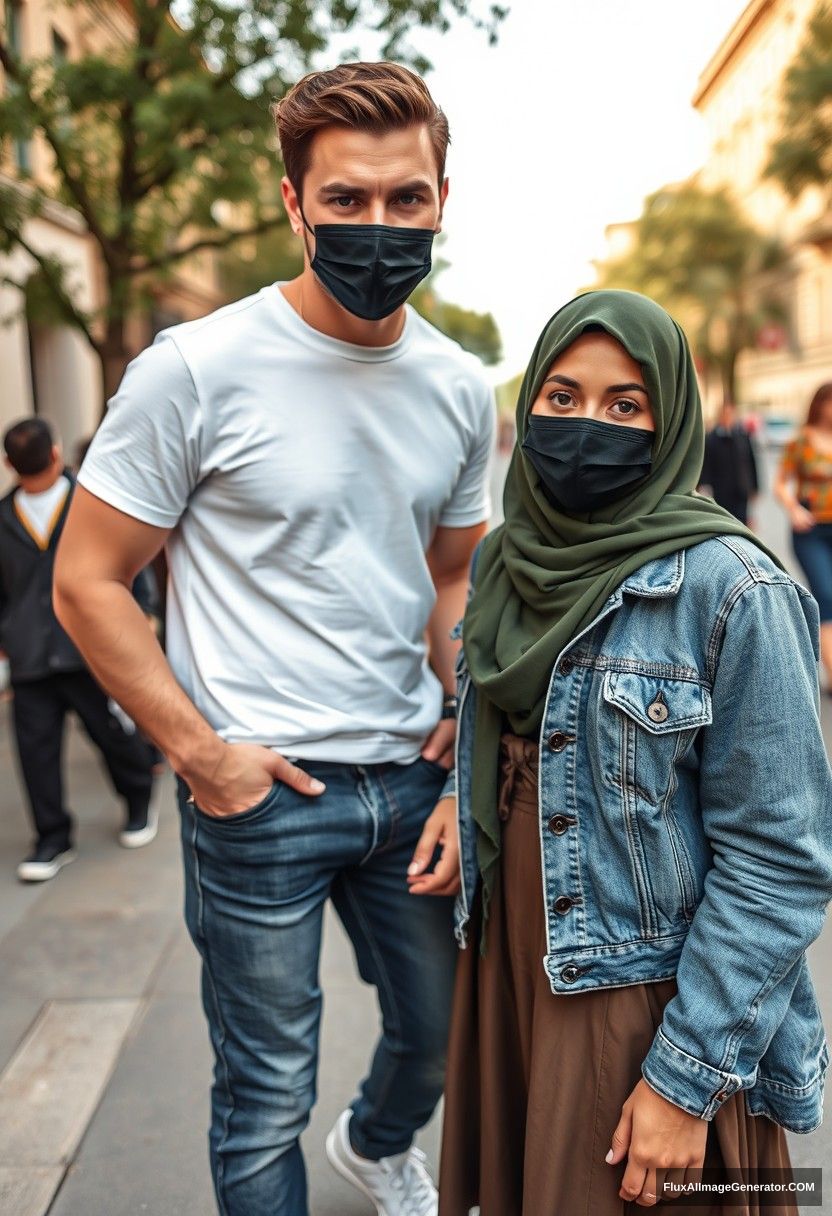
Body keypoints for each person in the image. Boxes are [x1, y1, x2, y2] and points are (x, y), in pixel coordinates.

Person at [54, 61, 494, 1216]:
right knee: (262, 1097)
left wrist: (466, 721)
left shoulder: (457, 386)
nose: (379, 224)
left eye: (407, 199)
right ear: (294, 204)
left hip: (411, 779)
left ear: (444, 198)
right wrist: (201, 756)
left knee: (442, 1036)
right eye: (345, 200)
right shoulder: (194, 371)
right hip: (261, 795)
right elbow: (89, 580)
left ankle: (376, 1139)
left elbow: (452, 577)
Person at [432, 291, 832, 1215]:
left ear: (672, 421)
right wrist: (464, 797)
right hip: (510, 967)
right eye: (562, 397)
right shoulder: (507, 563)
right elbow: (516, 727)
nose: (586, 425)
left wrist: (682, 1082)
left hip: (643, 1006)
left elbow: (781, 863)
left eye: (624, 406)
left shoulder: (734, 590)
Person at [1, 418, 158, 882]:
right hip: (30, 654)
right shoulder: (2, 518)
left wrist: (143, 610)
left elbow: (127, 557)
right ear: (55, 451)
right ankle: (52, 838)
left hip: (88, 645)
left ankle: (137, 800)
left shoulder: (89, 501)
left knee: (110, 732)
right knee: (35, 752)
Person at [775, 383, 832, 691]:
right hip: (811, 531)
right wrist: (793, 509)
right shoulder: (801, 441)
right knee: (826, 594)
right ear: (820, 404)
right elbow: (780, 483)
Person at [699, 400, 759, 524]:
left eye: (731, 414)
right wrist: (704, 486)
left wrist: (755, 486)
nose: (728, 418)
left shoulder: (742, 435)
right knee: (726, 523)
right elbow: (706, 465)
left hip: (741, 489)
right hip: (721, 492)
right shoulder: (711, 439)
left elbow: (751, 461)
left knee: (742, 523)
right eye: (725, 414)